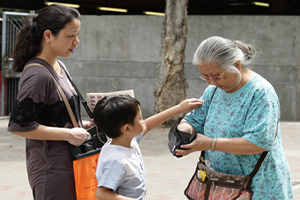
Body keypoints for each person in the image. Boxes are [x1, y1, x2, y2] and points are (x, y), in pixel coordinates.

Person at [176, 36, 294, 199]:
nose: (211, 82)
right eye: (205, 77)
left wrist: (210, 144)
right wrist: (183, 134)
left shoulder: (260, 93)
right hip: (221, 186)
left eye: (216, 76)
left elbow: (258, 142)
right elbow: (194, 120)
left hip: (257, 187)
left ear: (236, 65)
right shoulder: (214, 90)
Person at [7, 4, 93, 200]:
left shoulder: (58, 65)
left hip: (71, 163)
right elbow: (20, 126)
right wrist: (68, 134)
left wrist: (81, 126)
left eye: (77, 35)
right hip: (52, 171)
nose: (76, 41)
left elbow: (55, 115)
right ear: (48, 35)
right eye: (71, 35)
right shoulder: (38, 74)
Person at [93, 95, 203, 200]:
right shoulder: (117, 161)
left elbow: (148, 125)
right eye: (140, 118)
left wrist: (179, 109)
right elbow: (101, 193)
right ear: (127, 128)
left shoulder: (128, 140)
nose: (143, 122)